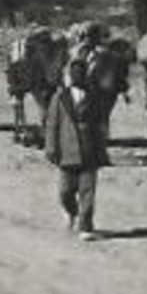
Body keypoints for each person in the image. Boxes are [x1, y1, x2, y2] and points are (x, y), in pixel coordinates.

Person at [44, 57, 108, 240]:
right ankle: (71, 211)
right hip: (66, 151)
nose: (78, 76)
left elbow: (101, 126)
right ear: (70, 76)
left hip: (89, 151)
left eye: (81, 72)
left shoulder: (94, 97)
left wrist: (102, 149)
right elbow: (52, 124)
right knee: (65, 191)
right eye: (75, 72)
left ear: (85, 75)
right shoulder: (60, 97)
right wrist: (51, 147)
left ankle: (86, 226)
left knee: (87, 191)